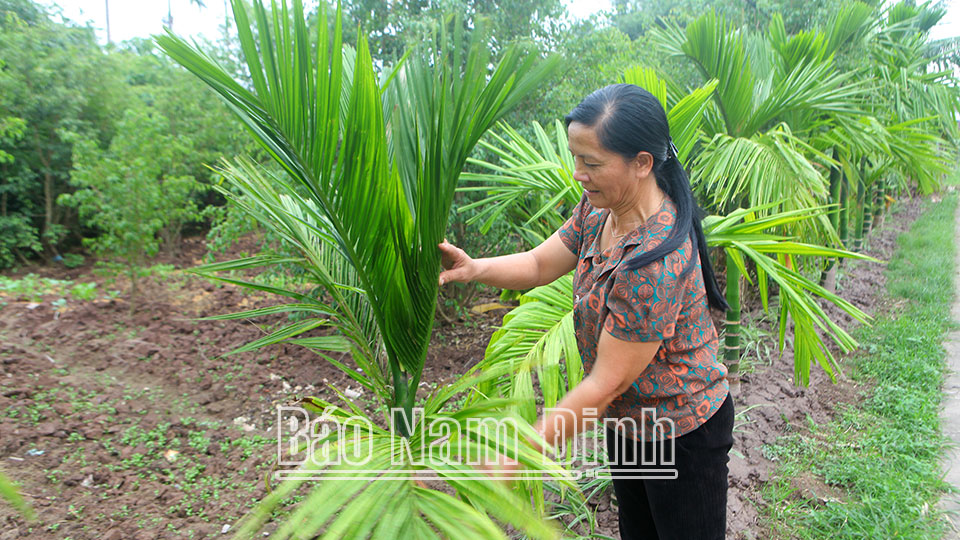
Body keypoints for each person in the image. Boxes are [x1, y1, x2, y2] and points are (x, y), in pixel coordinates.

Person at [438, 84, 734, 539]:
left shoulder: (654, 261)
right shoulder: (601, 211)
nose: (579, 173)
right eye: (576, 158)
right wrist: (474, 268)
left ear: (642, 163)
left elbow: (607, 381)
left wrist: (519, 453)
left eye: (592, 163)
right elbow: (539, 264)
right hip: (629, 423)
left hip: (682, 433)